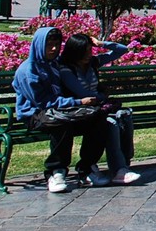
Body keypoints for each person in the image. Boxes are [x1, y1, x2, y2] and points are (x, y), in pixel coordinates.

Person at [12, 28, 109, 192]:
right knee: (62, 124)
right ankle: (56, 171)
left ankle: (87, 168)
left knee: (98, 119)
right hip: (35, 114)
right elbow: (43, 102)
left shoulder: (55, 64)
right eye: (49, 45)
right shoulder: (29, 71)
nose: (54, 49)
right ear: (38, 45)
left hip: (61, 110)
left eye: (57, 44)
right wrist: (78, 101)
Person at [58, 34, 140, 185]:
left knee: (125, 117)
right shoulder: (66, 69)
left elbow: (122, 49)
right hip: (80, 112)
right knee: (111, 123)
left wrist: (101, 43)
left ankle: (122, 167)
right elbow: (83, 93)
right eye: (84, 51)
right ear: (74, 51)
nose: (88, 55)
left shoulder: (93, 63)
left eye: (90, 50)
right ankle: (118, 169)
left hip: (97, 109)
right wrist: (103, 96)